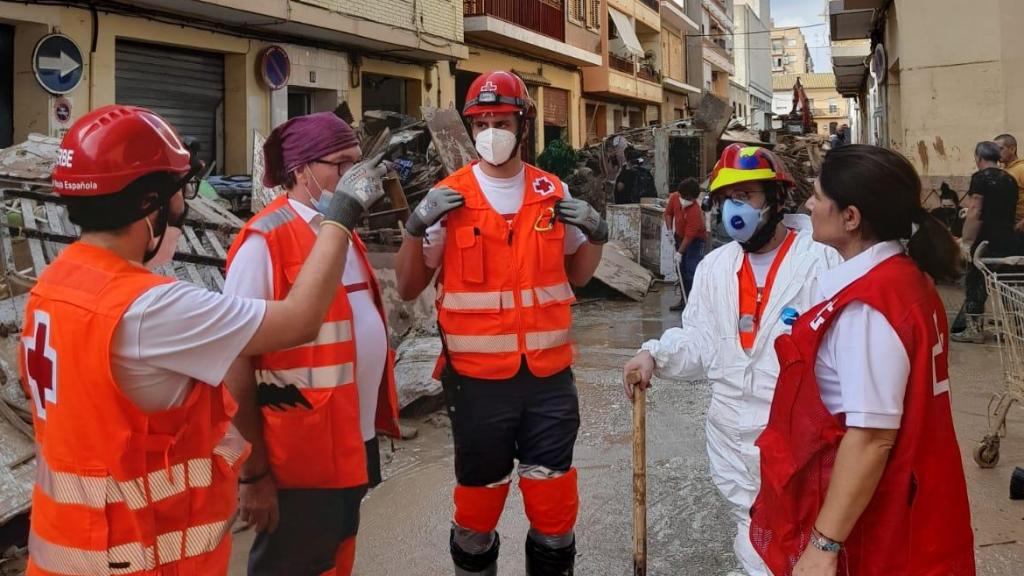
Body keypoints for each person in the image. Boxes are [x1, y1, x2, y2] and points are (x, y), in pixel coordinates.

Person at [19, 105, 387, 575]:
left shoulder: (53, 288)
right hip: (136, 553)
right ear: (148, 203)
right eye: (179, 192)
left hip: (69, 548)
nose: (183, 207)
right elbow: (298, 321)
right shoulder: (151, 309)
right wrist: (342, 215)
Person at [395, 70, 607, 575]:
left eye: (501, 120)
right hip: (476, 387)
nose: (491, 130)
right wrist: (413, 226)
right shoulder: (448, 200)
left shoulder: (551, 191)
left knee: (555, 515)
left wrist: (596, 235)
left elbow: (575, 276)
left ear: (523, 124)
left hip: (549, 383)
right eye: (481, 121)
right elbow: (407, 289)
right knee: (476, 515)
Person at [750, 144, 974, 575]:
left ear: (850, 218)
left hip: (880, 514)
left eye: (817, 196)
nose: (809, 205)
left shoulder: (867, 308)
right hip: (915, 492)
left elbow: (871, 438)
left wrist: (823, 545)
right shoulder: (906, 279)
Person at [622, 144, 839, 576]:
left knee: (806, 543)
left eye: (748, 195)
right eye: (725, 199)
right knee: (753, 535)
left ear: (777, 200)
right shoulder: (715, 268)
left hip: (801, 444)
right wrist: (654, 354)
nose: (734, 209)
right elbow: (701, 345)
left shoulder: (821, 261)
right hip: (732, 442)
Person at [223, 112, 401, 576]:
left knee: (337, 561)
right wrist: (254, 474)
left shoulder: (338, 234)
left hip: (348, 447)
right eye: (340, 165)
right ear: (301, 170)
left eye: (357, 165)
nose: (353, 178)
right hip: (295, 461)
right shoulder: (265, 241)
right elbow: (234, 364)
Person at [951, 141, 1019, 343]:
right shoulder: (1009, 179)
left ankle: (974, 330)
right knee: (1008, 286)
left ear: (978, 157)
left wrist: (966, 241)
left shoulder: (980, 178)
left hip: (984, 242)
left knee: (975, 284)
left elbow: (975, 211)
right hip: (1008, 239)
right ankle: (1015, 329)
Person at [664, 177, 707, 311]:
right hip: (679, 237)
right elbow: (668, 213)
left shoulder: (695, 211)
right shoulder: (675, 197)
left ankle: (695, 304)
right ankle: (684, 300)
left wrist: (680, 252)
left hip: (695, 241)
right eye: (683, 196)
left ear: (693, 198)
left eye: (688, 198)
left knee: (692, 271)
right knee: (681, 270)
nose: (684, 199)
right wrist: (670, 230)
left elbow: (690, 235)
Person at [995, 134, 1024, 231]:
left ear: (1012, 149)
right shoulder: (1003, 169)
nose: (997, 153)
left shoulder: (1021, 169)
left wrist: (1022, 223)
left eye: (1000, 149)